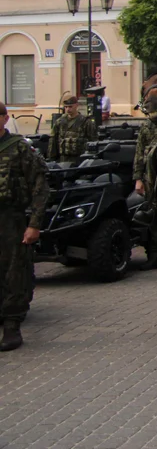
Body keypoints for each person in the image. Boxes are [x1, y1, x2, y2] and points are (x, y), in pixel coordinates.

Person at [0, 101, 49, 351]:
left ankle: (12, 326)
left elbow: (40, 187)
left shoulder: (19, 148)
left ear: (5, 118)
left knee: (14, 271)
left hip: (11, 218)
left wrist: (34, 224)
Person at [48, 93, 97, 164]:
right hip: (63, 159)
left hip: (80, 159)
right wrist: (51, 158)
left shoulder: (85, 122)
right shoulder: (60, 122)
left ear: (76, 106)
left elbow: (93, 140)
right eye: (66, 107)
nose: (68, 109)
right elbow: (53, 141)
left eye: (70, 107)